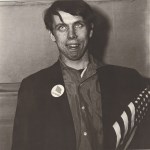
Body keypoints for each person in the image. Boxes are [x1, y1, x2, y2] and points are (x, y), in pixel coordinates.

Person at [11, 0, 150, 150]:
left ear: (90, 30)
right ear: (52, 34)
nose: (72, 35)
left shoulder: (128, 80)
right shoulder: (33, 87)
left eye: (78, 25)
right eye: (62, 27)